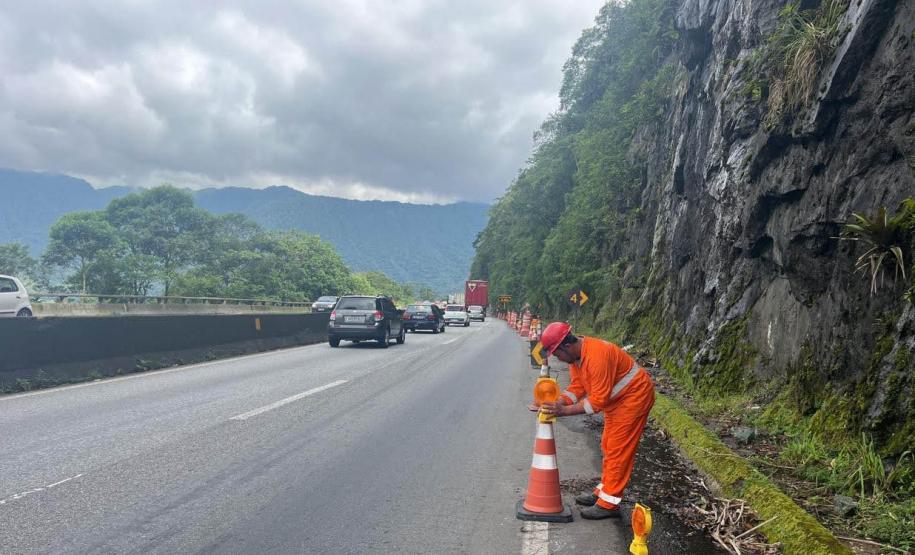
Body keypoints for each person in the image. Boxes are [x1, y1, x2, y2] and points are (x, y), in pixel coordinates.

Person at [537, 322, 655, 519]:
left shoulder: (596, 356)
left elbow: (597, 403)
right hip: (617, 400)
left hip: (634, 398)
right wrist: (559, 401)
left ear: (565, 346)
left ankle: (609, 504)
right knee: (608, 444)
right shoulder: (576, 359)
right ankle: (604, 491)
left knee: (618, 449)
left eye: (556, 354)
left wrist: (563, 411)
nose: (557, 358)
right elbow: (577, 387)